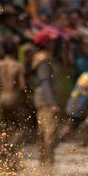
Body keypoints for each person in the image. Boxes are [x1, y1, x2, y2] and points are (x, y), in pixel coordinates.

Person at [30, 30, 60, 164]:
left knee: (42, 128)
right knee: (49, 130)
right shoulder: (43, 60)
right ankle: (49, 161)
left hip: (39, 96)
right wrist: (52, 102)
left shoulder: (38, 58)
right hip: (44, 97)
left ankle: (43, 160)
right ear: (46, 43)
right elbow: (45, 82)